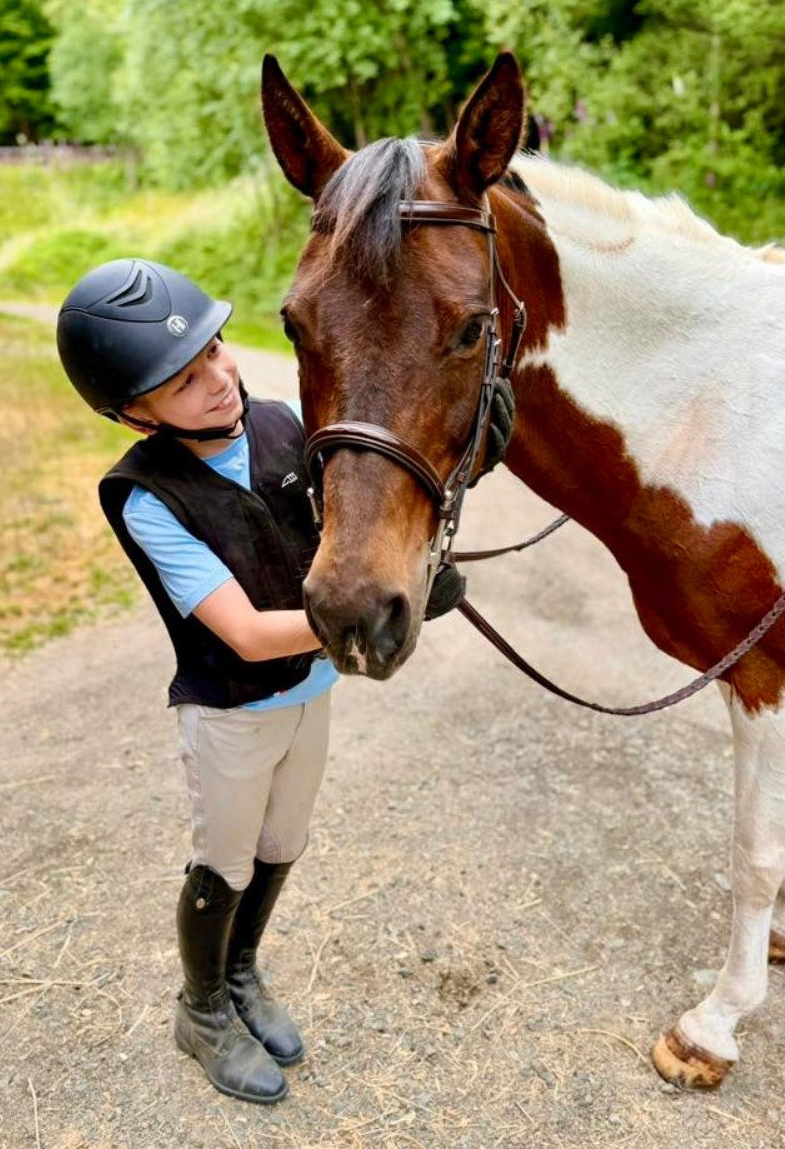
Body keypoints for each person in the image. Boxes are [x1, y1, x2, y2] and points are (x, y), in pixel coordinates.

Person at [56, 258, 486, 1105]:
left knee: (282, 847)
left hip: (309, 699)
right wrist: (365, 628)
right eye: (184, 383)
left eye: (216, 350)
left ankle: (243, 972)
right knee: (225, 862)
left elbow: (360, 528)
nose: (218, 380)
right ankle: (202, 1007)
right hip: (232, 715)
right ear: (134, 413)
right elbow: (248, 636)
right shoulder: (148, 499)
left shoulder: (289, 425)